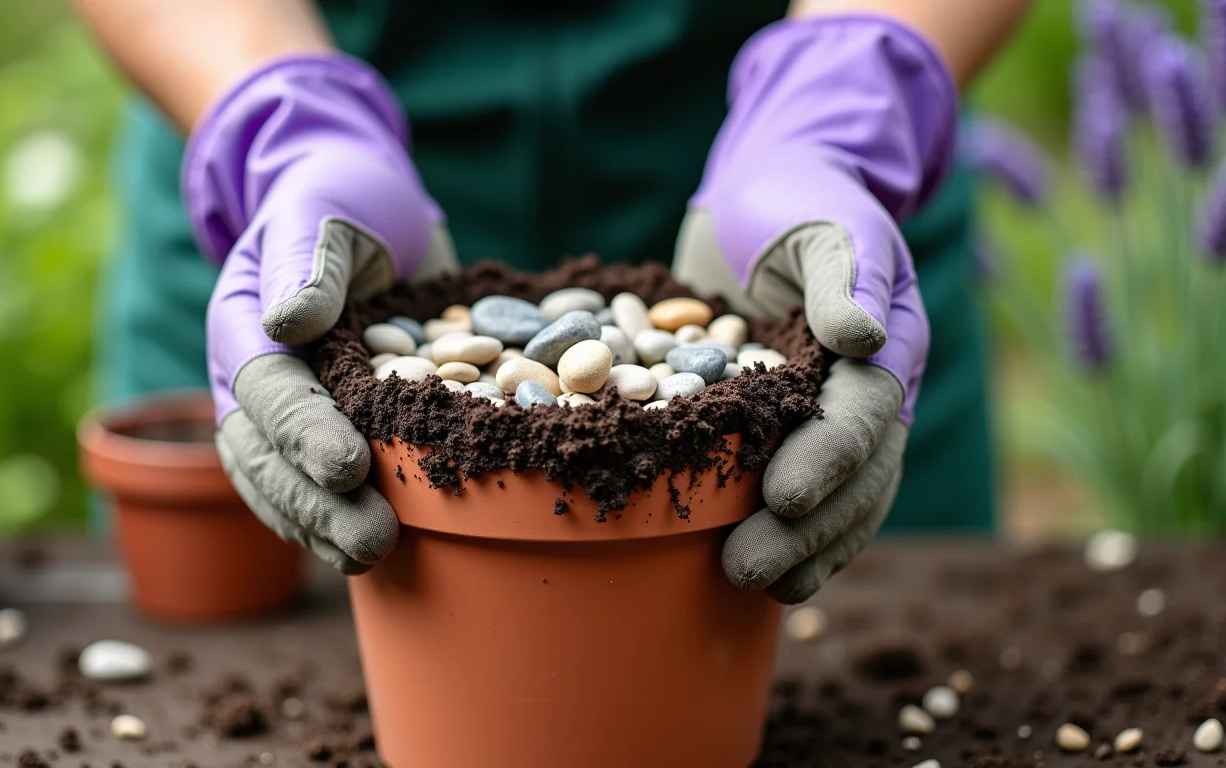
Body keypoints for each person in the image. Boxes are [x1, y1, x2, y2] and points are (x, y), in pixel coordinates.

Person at [73, 0, 1029, 602]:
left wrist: (849, 110)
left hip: (792, 196)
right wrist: (276, 127)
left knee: (887, 633)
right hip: (287, 159)